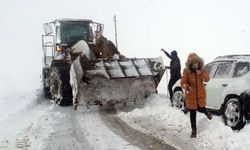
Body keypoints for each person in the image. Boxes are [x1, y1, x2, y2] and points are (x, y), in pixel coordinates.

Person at [180, 53, 212, 138]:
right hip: (191, 96)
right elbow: (182, 83)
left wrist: (200, 73)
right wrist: (187, 87)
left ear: (199, 63)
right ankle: (194, 130)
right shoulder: (186, 71)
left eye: (196, 62)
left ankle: (207, 113)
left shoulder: (202, 70)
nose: (195, 64)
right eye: (193, 63)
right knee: (192, 113)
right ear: (190, 64)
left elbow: (207, 79)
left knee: (202, 108)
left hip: (200, 94)